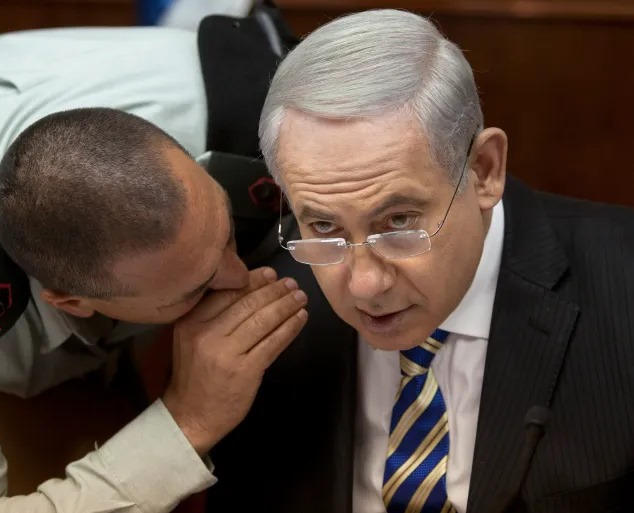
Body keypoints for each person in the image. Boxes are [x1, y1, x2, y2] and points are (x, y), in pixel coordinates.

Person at [0, 13, 308, 513]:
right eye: (195, 287)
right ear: (70, 302)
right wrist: (188, 421)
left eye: (223, 230)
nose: (238, 276)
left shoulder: (242, 104)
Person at [205, 9, 634, 513]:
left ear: (484, 170)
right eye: (323, 226)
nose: (365, 286)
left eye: (398, 222)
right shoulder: (259, 322)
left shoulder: (622, 284)